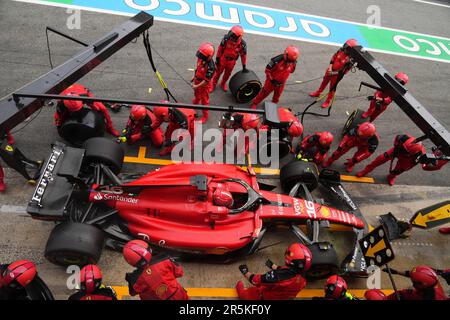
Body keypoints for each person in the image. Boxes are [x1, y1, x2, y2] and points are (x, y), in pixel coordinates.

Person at [235, 243, 311, 300]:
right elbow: (283, 270)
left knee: (245, 294)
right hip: (283, 296)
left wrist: (245, 272)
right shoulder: (302, 279)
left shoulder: (277, 276)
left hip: (266, 297)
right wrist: (272, 266)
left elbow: (256, 280)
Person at [123, 240, 189, 300]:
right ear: (149, 250)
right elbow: (179, 273)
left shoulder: (134, 279)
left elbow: (132, 293)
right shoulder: (165, 259)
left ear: (130, 262)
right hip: (179, 296)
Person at [356, 134, 425, 186]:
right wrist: (397, 146)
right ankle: (366, 170)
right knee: (380, 159)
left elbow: (411, 166)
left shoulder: (419, 156)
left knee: (398, 170)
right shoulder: (404, 138)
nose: (403, 151)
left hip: (406, 160)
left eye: (405, 151)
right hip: (396, 151)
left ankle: (391, 176)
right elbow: (396, 139)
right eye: (403, 148)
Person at [309, 39, 358, 108]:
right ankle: (318, 92)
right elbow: (333, 58)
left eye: (347, 47)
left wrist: (333, 72)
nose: (345, 47)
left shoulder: (351, 60)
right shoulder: (341, 50)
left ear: (350, 49)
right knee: (324, 82)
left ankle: (328, 101)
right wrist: (330, 67)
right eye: (345, 45)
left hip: (337, 75)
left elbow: (344, 72)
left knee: (332, 88)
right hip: (330, 70)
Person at [365, 266, 448, 300]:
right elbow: (411, 274)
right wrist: (396, 272)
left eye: (413, 282)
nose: (412, 284)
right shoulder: (431, 281)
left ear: (421, 285)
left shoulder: (425, 297)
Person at [211, 25, 247, 92]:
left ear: (239, 37)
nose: (231, 37)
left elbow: (243, 56)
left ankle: (223, 83)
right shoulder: (226, 39)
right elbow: (220, 49)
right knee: (218, 72)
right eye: (231, 34)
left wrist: (244, 66)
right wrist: (217, 59)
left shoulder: (242, 44)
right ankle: (213, 84)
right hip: (223, 59)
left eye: (233, 36)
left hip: (231, 62)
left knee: (227, 74)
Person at [192, 43, 215, 123]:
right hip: (197, 80)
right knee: (196, 93)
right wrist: (194, 77)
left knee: (204, 101)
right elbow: (198, 68)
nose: (200, 57)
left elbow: (206, 81)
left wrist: (197, 86)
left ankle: (205, 116)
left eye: (202, 55)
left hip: (204, 85)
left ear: (209, 56)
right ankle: (197, 99)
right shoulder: (201, 58)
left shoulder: (211, 67)